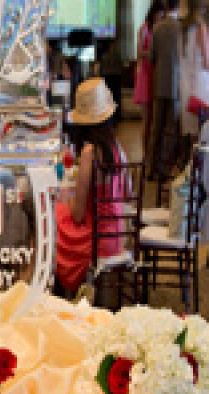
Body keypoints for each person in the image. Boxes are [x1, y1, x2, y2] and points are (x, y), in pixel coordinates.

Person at [56, 78, 129, 294]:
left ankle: (60, 292)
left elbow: (78, 214)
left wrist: (68, 201)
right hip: (118, 234)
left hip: (97, 239)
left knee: (53, 219)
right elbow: (128, 192)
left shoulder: (89, 153)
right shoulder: (117, 149)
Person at [146, 0, 182, 181]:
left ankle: (151, 169)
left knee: (156, 129)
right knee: (170, 131)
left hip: (159, 83)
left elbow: (151, 57)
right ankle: (165, 170)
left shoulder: (157, 28)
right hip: (176, 85)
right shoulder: (181, 29)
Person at [179, 0, 209, 137]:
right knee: (204, 132)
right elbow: (207, 63)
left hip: (185, 84)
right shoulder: (201, 28)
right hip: (200, 85)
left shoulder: (182, 27)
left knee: (190, 132)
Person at [134, 1, 165, 146]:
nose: (160, 17)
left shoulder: (159, 29)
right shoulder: (144, 28)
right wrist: (152, 53)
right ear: (153, 13)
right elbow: (139, 52)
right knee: (146, 118)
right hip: (146, 74)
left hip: (156, 72)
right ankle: (145, 150)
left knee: (155, 118)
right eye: (159, 14)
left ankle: (152, 149)